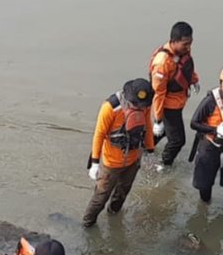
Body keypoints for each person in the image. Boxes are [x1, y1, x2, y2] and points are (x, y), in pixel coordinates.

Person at [83, 79, 154, 228]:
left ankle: (114, 214)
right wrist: (95, 163)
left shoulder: (145, 106)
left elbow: (147, 126)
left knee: (123, 192)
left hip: (133, 160)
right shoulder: (110, 108)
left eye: (142, 105)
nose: (139, 108)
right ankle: (87, 224)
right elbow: (99, 134)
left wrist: (150, 150)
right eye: (136, 104)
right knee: (100, 197)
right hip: (111, 162)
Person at [149, 21, 200, 167]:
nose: (189, 47)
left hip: (178, 100)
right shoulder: (162, 62)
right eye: (185, 44)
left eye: (190, 43)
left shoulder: (182, 51)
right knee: (177, 140)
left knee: (166, 132)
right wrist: (158, 120)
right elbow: (159, 94)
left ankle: (144, 147)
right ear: (174, 41)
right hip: (168, 106)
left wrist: (194, 80)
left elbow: (185, 67)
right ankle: (164, 165)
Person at [189, 69, 223, 203]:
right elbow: (194, 123)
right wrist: (215, 130)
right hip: (210, 145)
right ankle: (205, 203)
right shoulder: (210, 101)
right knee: (204, 183)